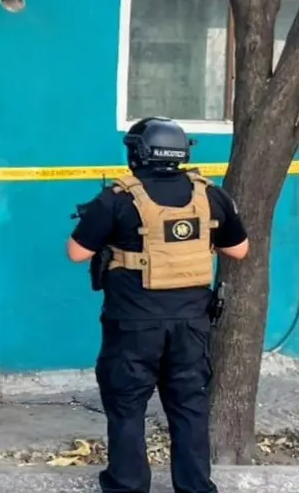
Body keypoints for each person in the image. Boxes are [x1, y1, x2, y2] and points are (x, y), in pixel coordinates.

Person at [67, 116, 249, 493]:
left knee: (127, 405)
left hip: (133, 325)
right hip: (191, 325)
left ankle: (127, 485)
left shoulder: (118, 199)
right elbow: (240, 249)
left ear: (138, 153)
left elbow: (76, 253)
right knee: (189, 407)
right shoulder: (209, 195)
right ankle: (195, 486)